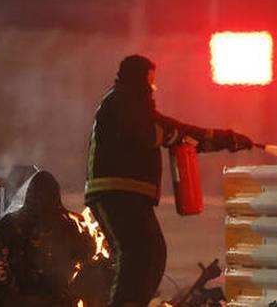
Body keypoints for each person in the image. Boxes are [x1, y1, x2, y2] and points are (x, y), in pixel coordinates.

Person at [85, 54, 254, 307]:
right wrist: (174, 134)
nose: (151, 90)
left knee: (153, 253)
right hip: (115, 194)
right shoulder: (121, 102)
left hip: (130, 196)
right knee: (137, 255)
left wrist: (226, 140)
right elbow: (151, 133)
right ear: (137, 81)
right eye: (148, 83)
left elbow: (180, 133)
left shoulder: (134, 107)